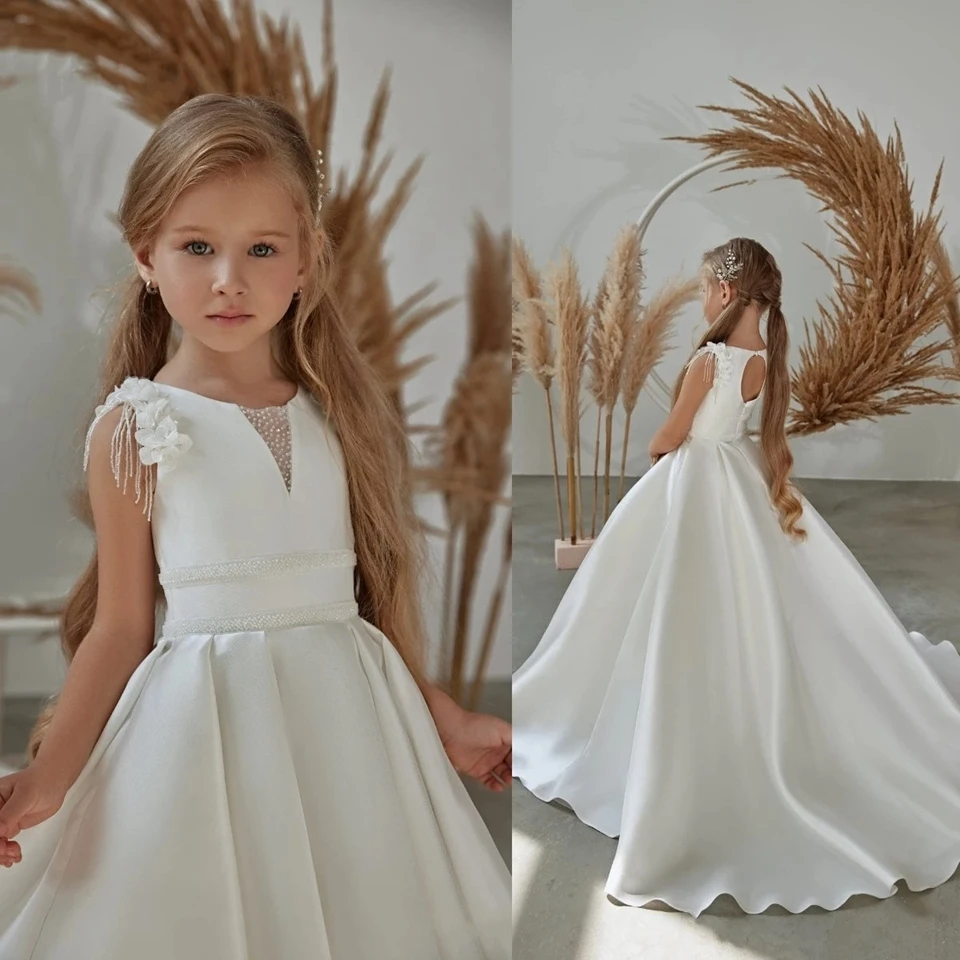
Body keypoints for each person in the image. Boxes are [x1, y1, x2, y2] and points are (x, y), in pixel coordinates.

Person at [0, 93, 511, 959]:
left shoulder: (335, 410)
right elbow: (122, 627)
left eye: (262, 248)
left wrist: (445, 717)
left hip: (357, 741)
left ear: (308, 259)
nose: (229, 278)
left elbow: (352, 610)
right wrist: (48, 779)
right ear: (147, 257)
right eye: (197, 247)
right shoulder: (137, 423)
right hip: (206, 738)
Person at [512, 236, 960, 917]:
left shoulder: (711, 358)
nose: (698, 299)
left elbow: (671, 435)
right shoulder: (763, 358)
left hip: (697, 481)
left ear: (723, 293)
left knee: (663, 603)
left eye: (700, 289)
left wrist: (658, 447)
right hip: (739, 479)